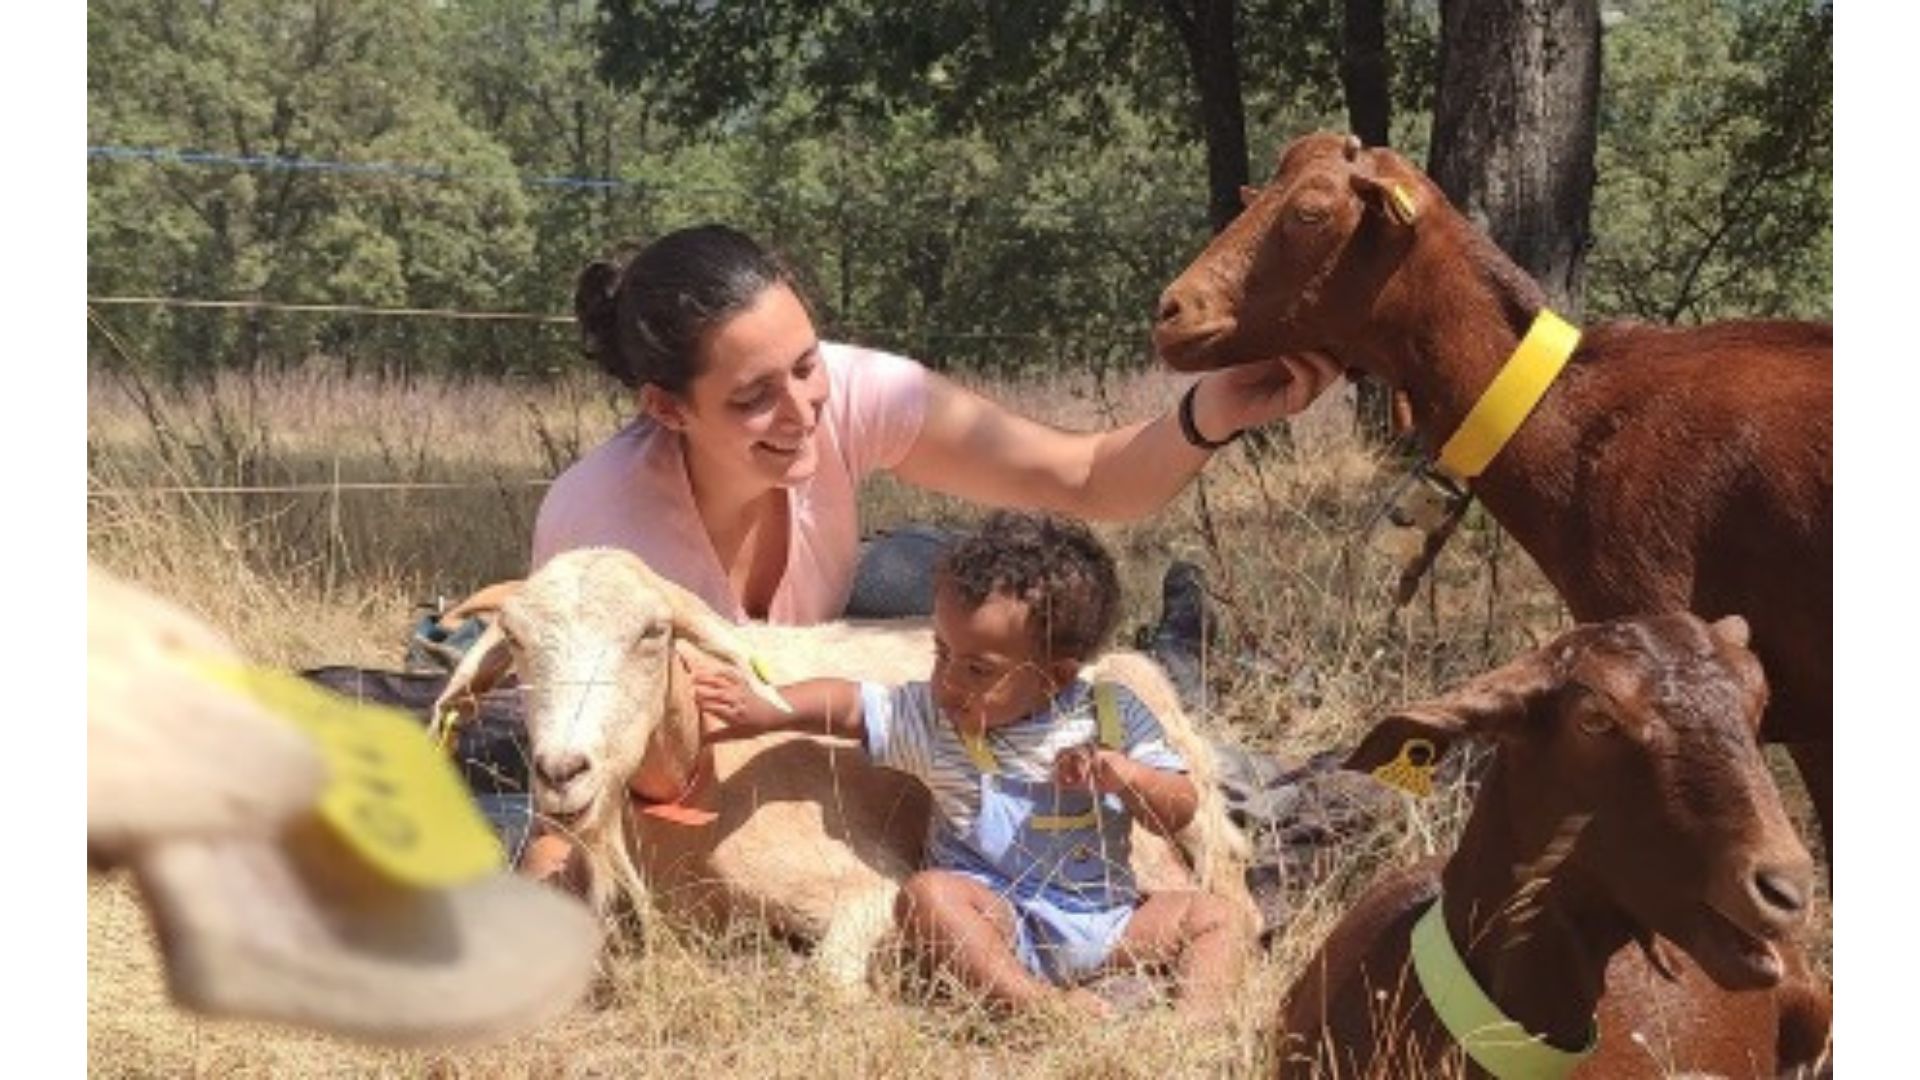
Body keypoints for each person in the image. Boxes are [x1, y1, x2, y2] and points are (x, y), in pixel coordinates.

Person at [534, 223, 1341, 624]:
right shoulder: (604, 533)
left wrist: (1211, 412)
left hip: (838, 631)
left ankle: (1178, 643)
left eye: (807, 362)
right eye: (753, 398)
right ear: (668, 408)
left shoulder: (850, 393)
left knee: (978, 600)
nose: (803, 411)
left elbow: (1086, 477)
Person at [695, 511, 1249, 1019]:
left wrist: (1129, 778)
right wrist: (770, 707)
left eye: (978, 669)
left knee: (1218, 918)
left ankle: (1197, 1028)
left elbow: (1179, 807)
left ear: (1055, 676)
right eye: (941, 653)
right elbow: (849, 705)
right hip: (996, 920)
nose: (949, 681)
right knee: (928, 897)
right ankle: (1037, 1006)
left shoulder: (1114, 713)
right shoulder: (935, 720)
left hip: (1105, 918)